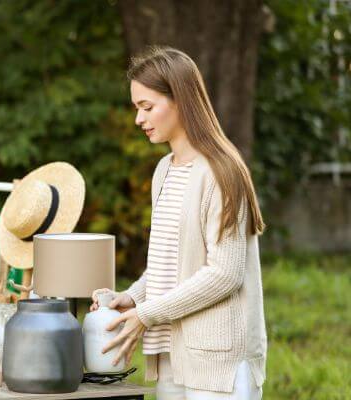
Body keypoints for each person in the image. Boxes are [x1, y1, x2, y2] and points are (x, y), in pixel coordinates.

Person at [91, 46, 267, 399]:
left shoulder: (221, 172)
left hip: (219, 364)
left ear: (181, 100)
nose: (139, 120)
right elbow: (172, 263)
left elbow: (224, 274)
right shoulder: (164, 171)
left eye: (147, 107)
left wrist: (147, 314)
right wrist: (133, 298)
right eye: (137, 109)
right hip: (172, 354)